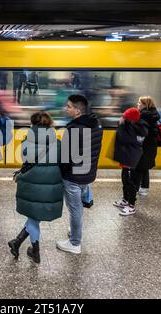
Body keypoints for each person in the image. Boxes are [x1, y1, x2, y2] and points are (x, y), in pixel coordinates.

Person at [8, 111, 63, 263]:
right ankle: (22, 245)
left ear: (32, 124)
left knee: (33, 218)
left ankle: (30, 249)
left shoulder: (27, 142)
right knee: (35, 217)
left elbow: (25, 160)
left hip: (32, 184)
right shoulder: (57, 142)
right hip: (51, 185)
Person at [56, 95, 103, 254]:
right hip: (88, 173)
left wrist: (62, 174)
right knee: (77, 208)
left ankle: (75, 243)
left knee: (75, 209)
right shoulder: (96, 124)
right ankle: (74, 231)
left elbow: (65, 158)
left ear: (77, 110)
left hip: (74, 176)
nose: (66, 108)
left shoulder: (74, 129)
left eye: (69, 106)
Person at [112, 108, 148, 216]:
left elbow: (123, 138)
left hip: (132, 159)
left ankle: (131, 206)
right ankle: (125, 200)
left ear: (130, 118)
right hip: (127, 158)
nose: (123, 118)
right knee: (125, 180)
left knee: (131, 182)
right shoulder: (134, 124)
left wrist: (121, 124)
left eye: (125, 116)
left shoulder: (135, 127)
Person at [135, 96, 161, 196]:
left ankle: (136, 189)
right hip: (150, 147)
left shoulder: (144, 116)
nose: (137, 104)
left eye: (139, 103)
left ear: (145, 105)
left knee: (139, 168)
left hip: (145, 146)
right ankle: (144, 188)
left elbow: (141, 132)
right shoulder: (152, 115)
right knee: (144, 168)